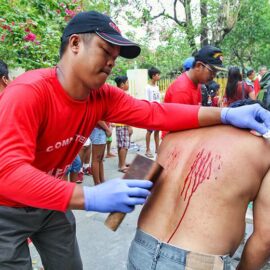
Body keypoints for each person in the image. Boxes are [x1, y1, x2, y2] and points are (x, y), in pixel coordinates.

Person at [0, 10, 269, 270]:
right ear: (74, 44)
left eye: (115, 58)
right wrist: (89, 195)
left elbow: (155, 113)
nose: (111, 63)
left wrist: (225, 114)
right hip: (7, 208)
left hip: (50, 205)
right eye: (106, 51)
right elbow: (7, 173)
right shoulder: (28, 93)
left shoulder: (101, 96)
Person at [128, 99, 270, 270]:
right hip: (199, 263)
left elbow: (138, 176)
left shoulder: (174, 134)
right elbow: (265, 237)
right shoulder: (264, 149)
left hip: (141, 246)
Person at [114, 75, 132, 173]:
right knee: (124, 145)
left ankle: (122, 162)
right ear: (122, 85)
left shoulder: (117, 94)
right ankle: (122, 165)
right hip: (123, 124)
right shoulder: (123, 95)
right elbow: (125, 111)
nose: (128, 84)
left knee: (121, 145)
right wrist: (129, 125)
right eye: (127, 83)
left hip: (119, 124)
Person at [145, 66, 161, 158]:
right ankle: (147, 149)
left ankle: (157, 148)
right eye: (158, 75)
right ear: (153, 76)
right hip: (151, 112)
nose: (159, 76)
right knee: (149, 131)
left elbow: (158, 99)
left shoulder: (157, 87)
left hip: (158, 111)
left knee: (157, 130)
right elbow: (147, 101)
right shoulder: (147, 87)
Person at [90, 121, 112, 185]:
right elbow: (98, 118)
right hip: (99, 130)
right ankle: (97, 183)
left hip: (101, 130)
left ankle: (101, 181)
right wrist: (107, 129)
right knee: (96, 159)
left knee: (100, 159)